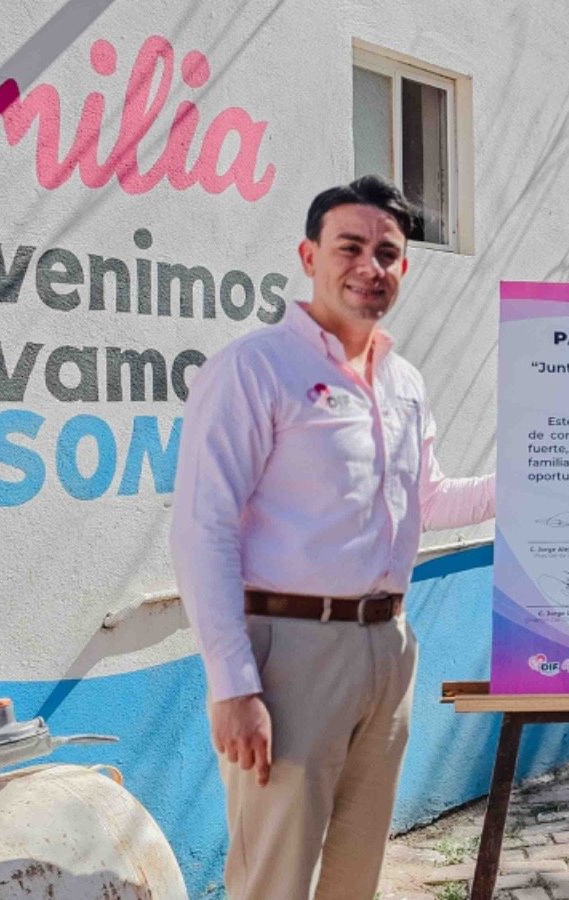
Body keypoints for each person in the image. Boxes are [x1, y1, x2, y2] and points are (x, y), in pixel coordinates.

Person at [169, 176, 496, 899]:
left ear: (404, 266)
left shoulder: (403, 382)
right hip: (290, 654)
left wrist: (540, 478)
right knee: (275, 877)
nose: (369, 266)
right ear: (309, 255)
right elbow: (202, 527)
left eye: (388, 253)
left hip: (388, 647)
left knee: (355, 873)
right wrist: (232, 684)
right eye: (350, 247)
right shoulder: (255, 368)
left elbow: (429, 499)